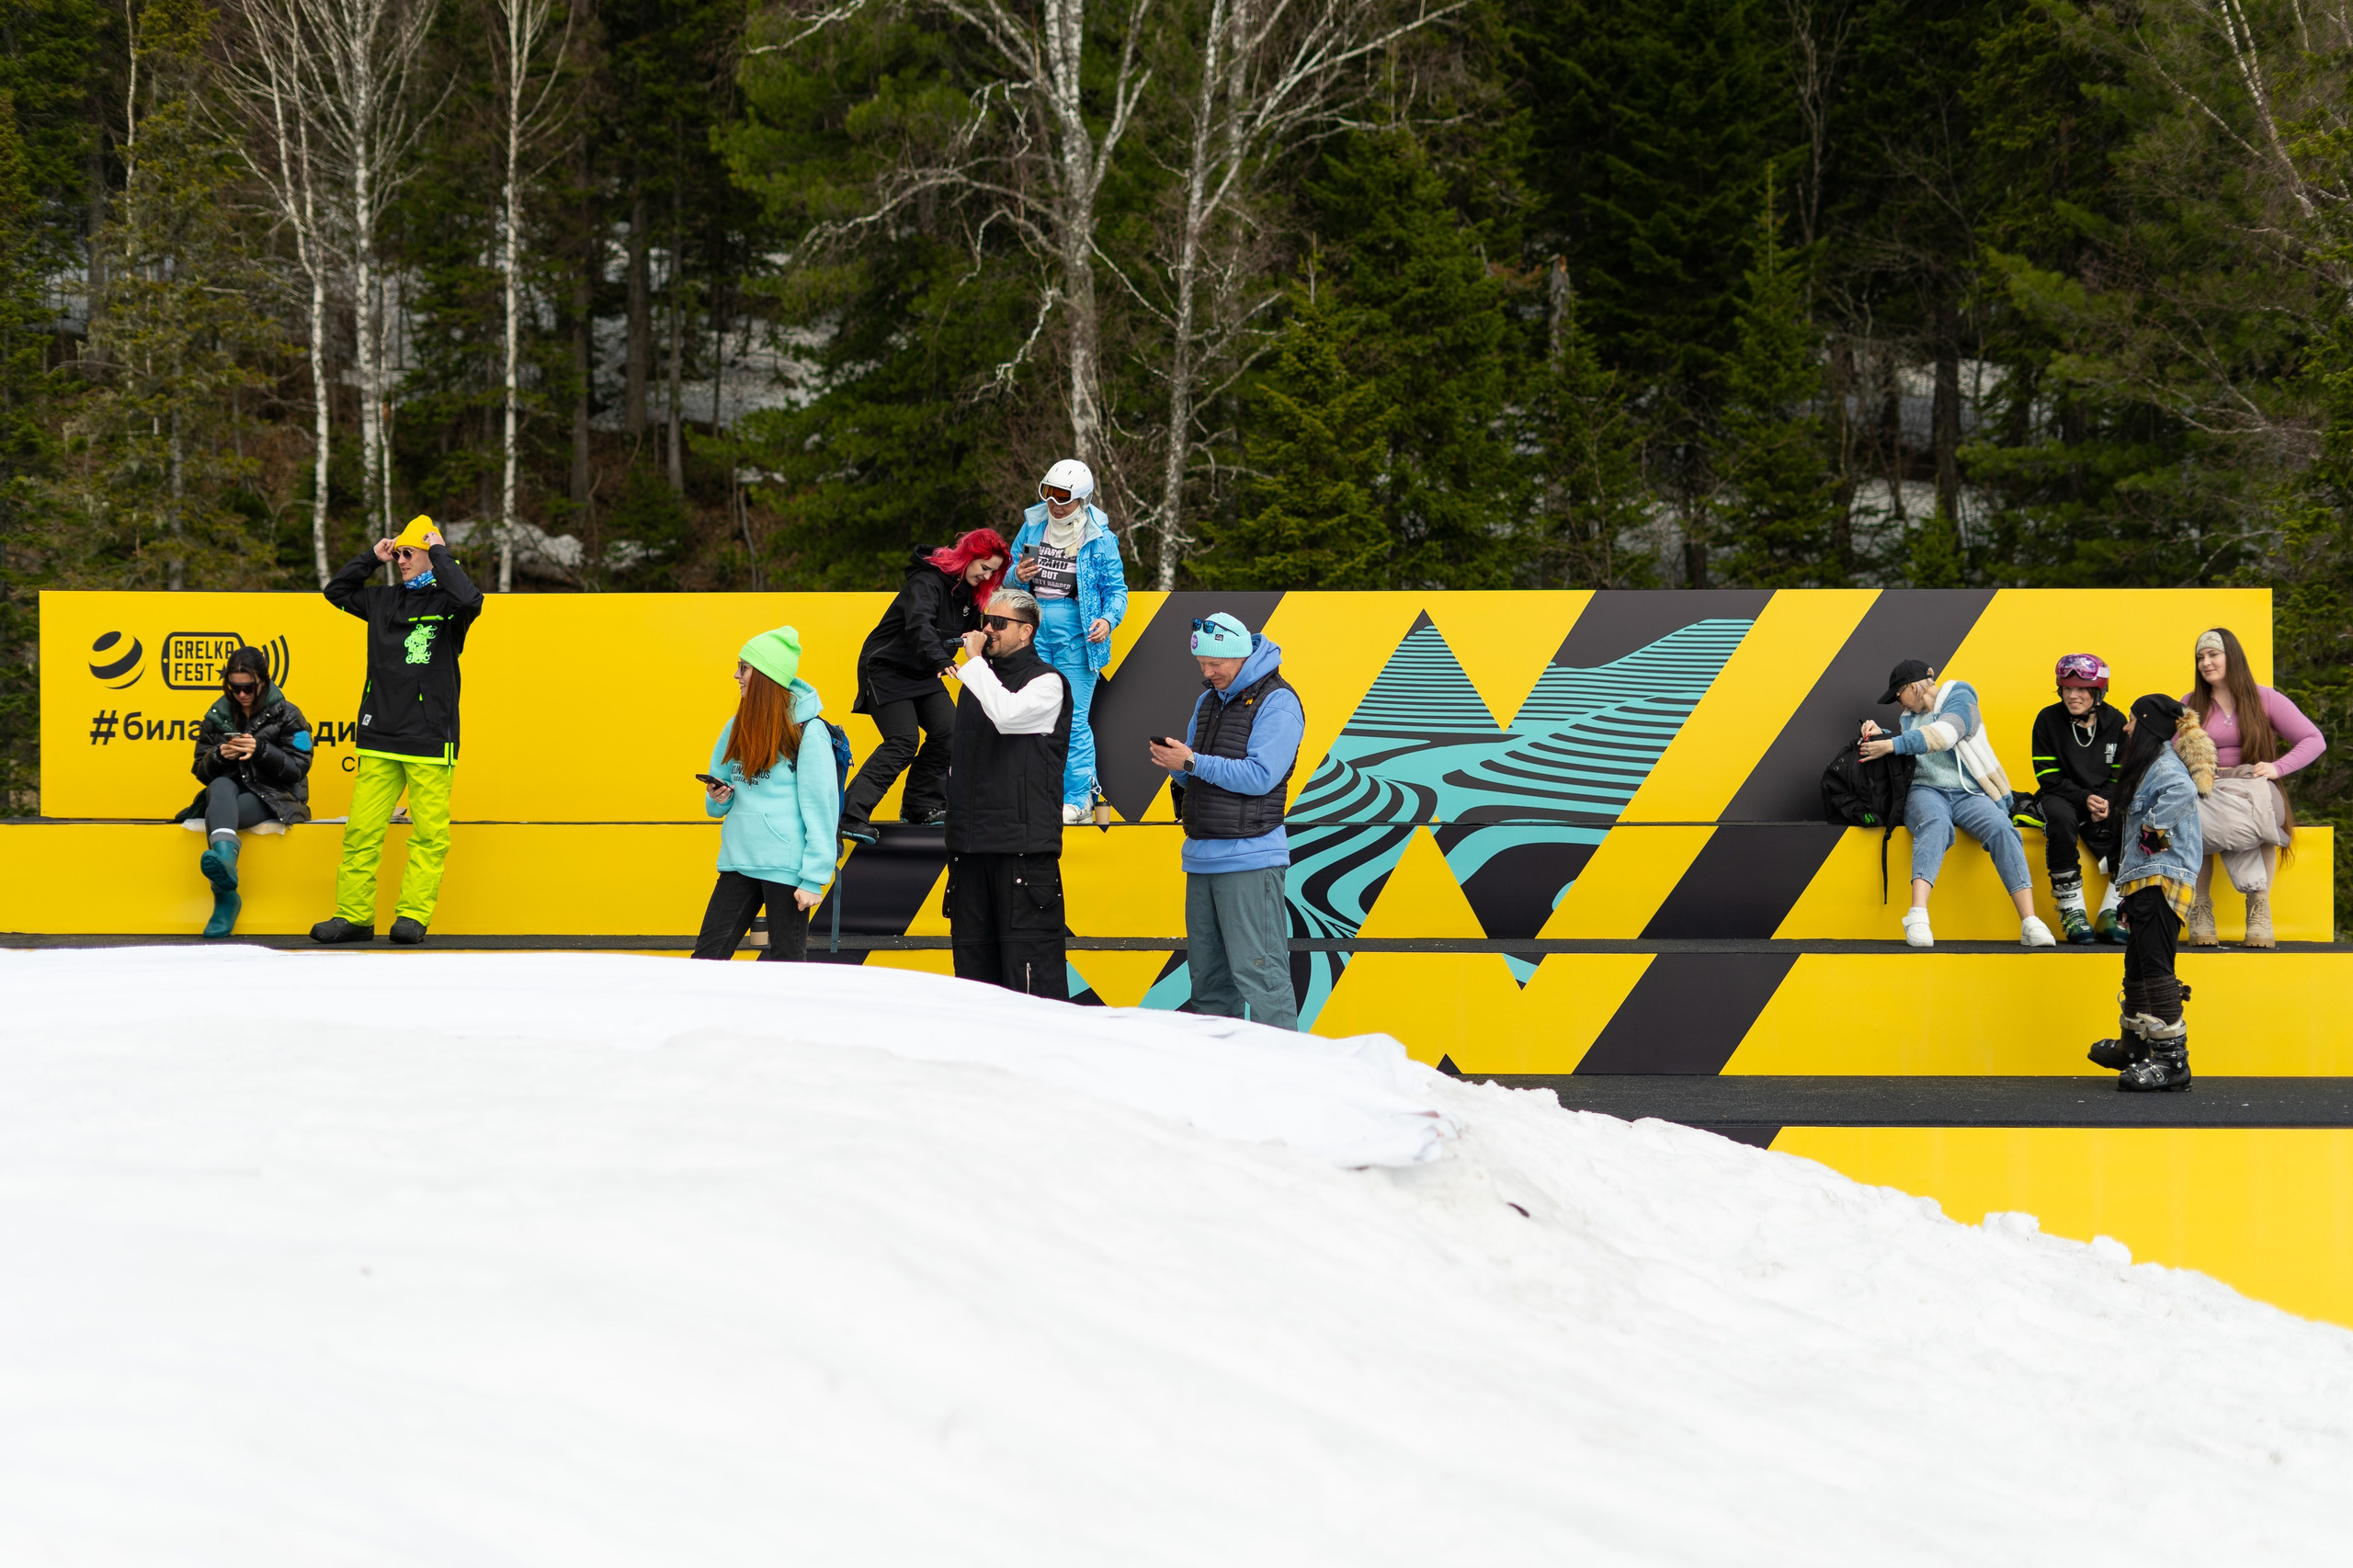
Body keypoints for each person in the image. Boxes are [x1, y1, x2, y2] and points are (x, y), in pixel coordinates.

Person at [311, 515, 485, 947]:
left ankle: (412, 916)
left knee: (428, 837)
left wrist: (441, 553)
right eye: (399, 553)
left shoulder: (450, 604)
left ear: (430, 556)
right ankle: (353, 917)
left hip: (429, 739)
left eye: (409, 553)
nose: (401, 560)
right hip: (380, 735)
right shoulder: (384, 600)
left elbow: (471, 597)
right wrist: (372, 557)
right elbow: (336, 591)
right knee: (361, 832)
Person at [1148, 612, 1303, 1030]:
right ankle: (1223, 1081)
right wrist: (1177, 765)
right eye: (1201, 664)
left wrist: (1193, 760)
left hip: (1251, 859)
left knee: (1262, 978)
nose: (1208, 672)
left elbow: (1260, 776)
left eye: (1216, 664)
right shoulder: (1207, 701)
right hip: (1201, 857)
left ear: (1240, 656)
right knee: (1209, 983)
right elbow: (1197, 771)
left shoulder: (1279, 702)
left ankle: (1290, 1078)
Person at [1859, 659, 2056, 949]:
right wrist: (1882, 736)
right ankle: (1917, 916)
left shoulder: (1960, 696)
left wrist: (1892, 744)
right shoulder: (1909, 719)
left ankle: (2029, 922)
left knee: (2003, 829)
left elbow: (1946, 734)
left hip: (1968, 792)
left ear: (1912, 688)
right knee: (1935, 824)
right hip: (1926, 790)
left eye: (1898, 696)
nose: (1898, 705)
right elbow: (1912, 749)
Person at [840, 529, 1008, 843]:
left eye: (992, 572)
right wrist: (939, 659)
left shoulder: (970, 597)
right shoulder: (926, 581)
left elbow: (975, 637)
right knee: (903, 741)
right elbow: (919, 624)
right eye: (983, 567)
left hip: (923, 672)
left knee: (950, 730)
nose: (986, 575)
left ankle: (921, 805)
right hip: (887, 669)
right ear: (968, 557)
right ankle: (850, 814)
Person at [945, 587, 1074, 997]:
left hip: (1022, 853)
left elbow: (1008, 715)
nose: (987, 631)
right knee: (974, 982)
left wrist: (976, 664)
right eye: (985, 621)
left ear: (1026, 632)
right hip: (969, 851)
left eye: (998, 624)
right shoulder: (976, 681)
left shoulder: (1047, 682)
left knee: (1030, 981)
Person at [691, 626, 841, 962]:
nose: (736, 675)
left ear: (764, 675)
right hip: (737, 861)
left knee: (786, 967)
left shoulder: (809, 731)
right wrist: (720, 797)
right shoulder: (737, 724)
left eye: (743, 667)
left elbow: (822, 808)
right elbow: (719, 797)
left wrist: (815, 877)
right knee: (705, 961)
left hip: (787, 869)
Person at [2086, 695, 2208, 1091]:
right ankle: (2135, 1047)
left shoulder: (2166, 768)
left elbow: (2183, 794)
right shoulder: (2150, 765)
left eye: (2131, 722)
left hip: (2162, 878)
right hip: (2145, 879)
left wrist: (2151, 828)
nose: (2124, 728)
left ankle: (2173, 1062)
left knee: (2157, 968)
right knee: (2137, 967)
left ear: (2146, 726)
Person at [2182, 627, 2325, 947]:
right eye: (2200, 657)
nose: (2205, 662)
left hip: (2253, 785)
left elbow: (2314, 740)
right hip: (2207, 786)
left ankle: (2260, 910)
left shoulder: (2266, 698)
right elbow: (2172, 749)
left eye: (2213, 654)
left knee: (2265, 811)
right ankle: (2201, 911)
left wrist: (2277, 768)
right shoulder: (2190, 703)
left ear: (2232, 656)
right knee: (2195, 816)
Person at [1008, 459, 1127, 824]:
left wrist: (1108, 620)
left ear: (1083, 499)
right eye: (1049, 493)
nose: (1055, 504)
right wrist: (1016, 574)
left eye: (1064, 496)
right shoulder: (1032, 527)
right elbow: (1007, 580)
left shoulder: (1099, 537)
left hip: (1078, 636)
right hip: (1032, 632)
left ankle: (1078, 800)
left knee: (1072, 718)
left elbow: (1117, 591)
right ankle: (1036, 795)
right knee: (1031, 716)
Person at [171, 645, 314, 939]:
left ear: (263, 680)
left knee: (223, 799)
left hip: (274, 796)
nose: (241, 695)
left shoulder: (289, 714)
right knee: (219, 785)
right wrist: (221, 755)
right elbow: (201, 770)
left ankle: (225, 896)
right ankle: (227, 878)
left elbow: (299, 767)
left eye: (248, 687)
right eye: (234, 688)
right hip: (229, 794)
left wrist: (260, 750)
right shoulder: (217, 713)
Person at [2014, 653, 2127, 945]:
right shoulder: (2048, 719)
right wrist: (2085, 797)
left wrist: (2104, 801)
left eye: (2081, 689)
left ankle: (2113, 912)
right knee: (2062, 821)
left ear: (2098, 692)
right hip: (2059, 794)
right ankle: (2071, 910)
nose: (2073, 695)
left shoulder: (2116, 721)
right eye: (2067, 689)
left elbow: (2119, 773)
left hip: (2101, 798)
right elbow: (2047, 775)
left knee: (2133, 823)